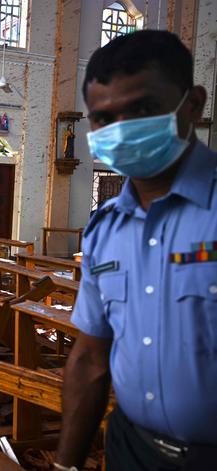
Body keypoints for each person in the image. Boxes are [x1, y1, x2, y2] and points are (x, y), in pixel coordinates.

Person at [55, 30, 215, 471]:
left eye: (142, 109)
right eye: (104, 118)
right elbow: (89, 359)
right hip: (131, 450)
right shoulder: (105, 228)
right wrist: (66, 465)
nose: (122, 131)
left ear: (194, 104)